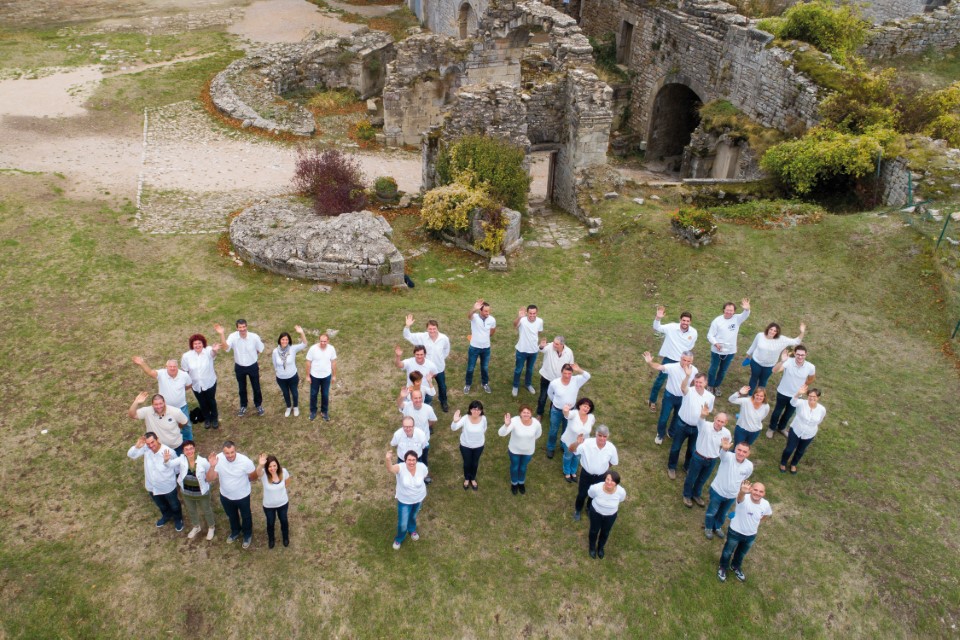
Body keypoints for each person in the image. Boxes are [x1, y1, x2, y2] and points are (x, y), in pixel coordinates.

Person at [717, 481, 772, 583]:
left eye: (761, 491)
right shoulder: (743, 498)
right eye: (755, 490)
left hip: (751, 535)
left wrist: (757, 521)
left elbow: (766, 515)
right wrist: (742, 491)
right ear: (751, 489)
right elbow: (739, 498)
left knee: (741, 554)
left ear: (764, 494)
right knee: (728, 552)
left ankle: (735, 566)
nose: (757, 493)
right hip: (735, 533)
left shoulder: (766, 504)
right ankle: (723, 567)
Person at [206, 440, 257, 549]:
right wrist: (211, 466)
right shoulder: (218, 459)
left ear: (235, 450)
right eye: (227, 453)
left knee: (246, 516)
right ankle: (235, 531)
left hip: (242, 496)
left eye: (232, 452)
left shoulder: (245, 461)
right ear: (223, 452)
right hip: (225, 496)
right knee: (231, 516)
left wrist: (246, 482)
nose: (230, 455)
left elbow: (254, 476)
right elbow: (210, 478)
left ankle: (247, 534)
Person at [127, 432, 183, 531]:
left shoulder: (168, 451)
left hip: (167, 487)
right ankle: (166, 516)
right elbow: (131, 455)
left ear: (158, 439)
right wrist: (137, 446)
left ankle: (178, 519)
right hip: (151, 486)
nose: (151, 445)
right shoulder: (146, 449)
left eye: (152, 442)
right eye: (148, 443)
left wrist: (172, 478)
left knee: (174, 505)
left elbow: (177, 467)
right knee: (161, 505)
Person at [132, 356, 194, 442]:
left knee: (187, 425)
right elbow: (150, 372)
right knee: (167, 426)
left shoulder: (184, 375)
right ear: (166, 367)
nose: (172, 368)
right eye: (170, 366)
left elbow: (189, 385)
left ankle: (188, 441)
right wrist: (142, 363)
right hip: (165, 408)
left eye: (174, 366)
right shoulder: (161, 374)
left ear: (177, 367)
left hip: (181, 407)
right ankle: (171, 440)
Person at [648, 306, 698, 410]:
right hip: (669, 360)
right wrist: (658, 318)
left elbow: (690, 346)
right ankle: (652, 401)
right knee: (660, 381)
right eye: (683, 320)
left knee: (683, 383)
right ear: (680, 320)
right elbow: (657, 327)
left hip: (683, 362)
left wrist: (685, 360)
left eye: (687, 321)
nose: (685, 322)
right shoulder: (671, 327)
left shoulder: (694, 333)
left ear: (690, 322)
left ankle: (681, 404)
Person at [642, 350, 697, 445]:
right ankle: (660, 434)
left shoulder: (694, 370)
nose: (686, 363)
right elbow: (659, 367)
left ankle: (671, 432)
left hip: (683, 398)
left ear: (692, 361)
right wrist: (650, 362)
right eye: (684, 360)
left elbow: (693, 382)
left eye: (689, 361)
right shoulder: (672, 367)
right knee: (664, 417)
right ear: (680, 358)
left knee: (677, 417)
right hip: (669, 396)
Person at [165, 440, 216, 540]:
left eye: (191, 448)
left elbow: (209, 476)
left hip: (202, 493)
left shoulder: (203, 461)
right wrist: (166, 460)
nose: (189, 451)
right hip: (186, 492)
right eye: (186, 449)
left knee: (206, 510)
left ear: (194, 448)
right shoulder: (181, 459)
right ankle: (196, 526)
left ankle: (211, 527)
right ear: (183, 451)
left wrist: (212, 466)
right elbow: (169, 465)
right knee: (191, 510)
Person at [667, 371, 714, 479]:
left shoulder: (710, 397)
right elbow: (683, 387)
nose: (698, 384)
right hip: (682, 425)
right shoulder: (689, 391)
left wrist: (704, 413)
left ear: (706, 383)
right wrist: (688, 376)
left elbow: (708, 410)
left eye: (700, 382)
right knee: (676, 447)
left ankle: (687, 466)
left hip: (697, 428)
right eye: (696, 382)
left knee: (692, 449)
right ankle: (671, 467)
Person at [682, 406, 731, 508]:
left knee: (702, 479)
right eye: (718, 420)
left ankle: (696, 494)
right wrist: (702, 415)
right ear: (714, 419)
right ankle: (687, 495)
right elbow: (700, 421)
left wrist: (725, 448)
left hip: (712, 460)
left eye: (722, 422)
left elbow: (725, 447)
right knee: (691, 477)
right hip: (698, 457)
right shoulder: (705, 425)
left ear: (725, 423)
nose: (719, 423)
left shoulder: (726, 433)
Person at [215, 320, 265, 417]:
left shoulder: (254, 337)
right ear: (237, 328)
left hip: (252, 366)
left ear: (246, 327)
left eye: (243, 327)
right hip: (239, 367)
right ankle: (243, 406)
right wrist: (222, 334)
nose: (242, 329)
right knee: (242, 388)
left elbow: (260, 349)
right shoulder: (233, 337)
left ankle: (258, 405)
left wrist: (253, 356)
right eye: (240, 327)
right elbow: (226, 348)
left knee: (256, 387)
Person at [704, 442, 753, 540]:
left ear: (748, 454)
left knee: (723, 513)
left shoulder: (749, 465)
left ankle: (717, 527)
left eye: (744, 451)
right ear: (735, 449)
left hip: (732, 496)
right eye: (739, 450)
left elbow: (745, 477)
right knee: (712, 511)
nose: (741, 453)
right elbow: (722, 454)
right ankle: (708, 527)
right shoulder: (728, 456)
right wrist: (724, 449)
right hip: (717, 492)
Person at [403, 314, 451, 412]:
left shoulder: (444, 338)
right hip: (425, 369)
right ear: (427, 329)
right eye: (430, 329)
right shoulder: (422, 337)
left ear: (437, 328)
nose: (432, 331)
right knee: (424, 386)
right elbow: (407, 336)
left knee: (442, 386)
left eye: (434, 329)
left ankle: (443, 401)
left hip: (439, 368)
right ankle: (426, 402)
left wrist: (441, 358)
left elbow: (446, 349)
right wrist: (407, 326)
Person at [569, 426, 618, 521]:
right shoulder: (587, 443)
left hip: (601, 476)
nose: (602, 438)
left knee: (595, 494)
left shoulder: (611, 448)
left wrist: (603, 468)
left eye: (604, 436)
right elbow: (571, 449)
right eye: (600, 435)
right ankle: (578, 510)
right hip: (586, 475)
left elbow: (613, 462)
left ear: (608, 436)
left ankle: (588, 508)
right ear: (596, 434)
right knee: (582, 494)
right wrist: (577, 442)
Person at [767, 345, 816, 438]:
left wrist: (805, 385)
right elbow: (774, 370)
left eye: (802, 355)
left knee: (788, 414)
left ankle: (781, 428)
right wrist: (782, 361)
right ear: (794, 354)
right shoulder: (788, 362)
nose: (800, 357)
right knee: (777, 412)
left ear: (806, 355)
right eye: (798, 354)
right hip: (782, 392)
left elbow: (812, 378)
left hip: (797, 396)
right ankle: (771, 428)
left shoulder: (810, 367)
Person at [545, 363, 591, 459]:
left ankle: (563, 445)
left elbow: (587, 376)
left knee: (567, 429)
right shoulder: (555, 383)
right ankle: (550, 447)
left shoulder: (576, 380)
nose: (567, 376)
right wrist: (556, 402)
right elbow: (549, 393)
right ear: (561, 372)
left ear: (572, 373)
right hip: (556, 411)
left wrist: (579, 369)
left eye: (569, 373)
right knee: (553, 430)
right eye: (565, 373)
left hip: (571, 412)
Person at [745, 322, 806, 393]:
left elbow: (796, 342)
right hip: (756, 362)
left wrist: (802, 332)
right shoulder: (760, 335)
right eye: (771, 329)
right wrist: (748, 355)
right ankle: (749, 394)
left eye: (775, 331)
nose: (772, 332)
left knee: (763, 381)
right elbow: (753, 346)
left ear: (777, 333)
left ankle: (760, 396)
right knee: (754, 378)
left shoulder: (782, 340)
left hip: (769, 366)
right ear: (768, 329)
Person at [706, 298, 751, 395]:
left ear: (734, 311)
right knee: (713, 369)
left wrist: (747, 309)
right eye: (727, 310)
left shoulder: (737, 319)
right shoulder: (717, 321)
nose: (729, 312)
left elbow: (745, 315)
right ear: (724, 310)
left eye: (731, 310)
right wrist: (715, 343)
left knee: (723, 371)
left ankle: (717, 386)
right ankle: (710, 385)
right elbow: (710, 335)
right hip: (716, 351)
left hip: (730, 351)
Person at [385, 449, 428, 550]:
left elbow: (424, 476)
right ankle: (399, 538)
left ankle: (412, 529)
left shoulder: (422, 467)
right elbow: (390, 469)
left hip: (418, 498)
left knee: (413, 516)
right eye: (409, 460)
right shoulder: (401, 467)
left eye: (413, 460)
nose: (411, 462)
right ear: (405, 460)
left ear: (417, 460)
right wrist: (388, 459)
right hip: (404, 501)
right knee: (403, 523)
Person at [779, 385, 826, 474]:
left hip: (809, 433)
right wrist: (798, 394)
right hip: (796, 430)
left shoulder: (822, 409)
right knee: (789, 448)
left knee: (801, 450)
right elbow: (793, 403)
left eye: (814, 396)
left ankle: (793, 464)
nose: (812, 398)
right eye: (810, 396)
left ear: (818, 397)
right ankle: (783, 462)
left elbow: (820, 420)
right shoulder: (801, 403)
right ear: (807, 396)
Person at [498, 406, 542, 495]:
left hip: (528, 451)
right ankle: (514, 483)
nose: (526, 414)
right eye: (524, 412)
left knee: (523, 467)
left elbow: (538, 434)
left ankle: (521, 482)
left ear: (531, 414)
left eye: (528, 412)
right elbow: (501, 434)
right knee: (514, 467)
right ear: (520, 414)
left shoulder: (536, 423)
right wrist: (506, 425)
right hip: (514, 450)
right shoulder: (514, 421)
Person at [128, 391, 188, 455]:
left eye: (160, 403)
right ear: (152, 404)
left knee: (176, 464)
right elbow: (132, 415)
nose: (158, 406)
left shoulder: (176, 412)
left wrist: (177, 427)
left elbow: (184, 422)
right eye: (156, 404)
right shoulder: (147, 411)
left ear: (164, 402)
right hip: (157, 448)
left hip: (175, 447)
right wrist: (136, 402)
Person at [181, 333, 220, 429]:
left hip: (209, 382)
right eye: (195, 344)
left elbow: (213, 353)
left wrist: (215, 350)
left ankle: (214, 418)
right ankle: (207, 418)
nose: (197, 346)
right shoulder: (186, 356)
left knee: (211, 401)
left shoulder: (208, 351)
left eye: (199, 343)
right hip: (196, 385)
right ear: (192, 345)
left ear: (203, 344)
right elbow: (185, 371)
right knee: (202, 402)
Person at [398, 387, 437, 483]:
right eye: (415, 398)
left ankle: (424, 475)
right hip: (409, 440)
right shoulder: (407, 406)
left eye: (420, 397)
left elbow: (432, 420)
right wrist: (401, 396)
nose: (418, 400)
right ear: (411, 399)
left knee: (423, 459)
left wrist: (427, 427)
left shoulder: (428, 408)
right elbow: (399, 404)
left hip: (423, 441)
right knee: (411, 458)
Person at [586, 471, 626, 559]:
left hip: (610, 516)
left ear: (616, 483)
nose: (609, 482)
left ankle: (600, 548)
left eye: (612, 480)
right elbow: (590, 495)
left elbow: (621, 499)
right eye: (607, 479)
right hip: (596, 513)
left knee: (605, 532)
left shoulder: (621, 492)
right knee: (593, 531)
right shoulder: (596, 488)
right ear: (605, 479)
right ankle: (592, 547)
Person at [272, 325, 308, 417]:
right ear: (280, 340)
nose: (285, 341)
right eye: (283, 339)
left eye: (286, 340)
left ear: (289, 341)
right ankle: (288, 407)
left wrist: (301, 332)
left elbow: (304, 344)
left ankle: (295, 407)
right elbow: (275, 364)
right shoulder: (275, 351)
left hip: (292, 376)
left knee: (294, 392)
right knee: (285, 393)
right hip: (281, 378)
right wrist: (279, 373)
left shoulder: (293, 348)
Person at [535, 336, 574, 421]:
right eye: (554, 342)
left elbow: (570, 366)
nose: (554, 345)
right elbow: (541, 349)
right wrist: (541, 346)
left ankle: (552, 414)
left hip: (559, 381)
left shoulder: (569, 352)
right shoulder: (549, 346)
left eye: (556, 344)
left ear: (562, 344)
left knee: (555, 399)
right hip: (546, 377)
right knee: (543, 397)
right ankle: (539, 413)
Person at [451, 401, 488, 490]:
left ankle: (473, 478)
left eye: (479, 409)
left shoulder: (483, 418)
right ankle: (467, 478)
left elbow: (484, 428)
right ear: (470, 410)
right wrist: (455, 421)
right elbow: (454, 428)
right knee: (467, 463)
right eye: (474, 409)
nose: (476, 411)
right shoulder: (465, 418)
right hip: (465, 446)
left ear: (481, 411)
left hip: (479, 446)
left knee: (475, 463)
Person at [257, 453, 292, 548]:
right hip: (269, 506)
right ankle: (271, 539)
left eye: (274, 465)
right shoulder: (264, 474)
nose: (272, 468)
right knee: (270, 522)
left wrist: (280, 492)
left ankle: (285, 537)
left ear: (277, 465)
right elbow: (258, 472)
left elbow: (287, 482)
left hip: (283, 504)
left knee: (284, 521)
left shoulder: (283, 472)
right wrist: (260, 465)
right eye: (270, 466)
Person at [464, 299, 496, 394]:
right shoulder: (474, 317)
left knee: (485, 367)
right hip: (474, 348)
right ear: (480, 311)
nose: (488, 313)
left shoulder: (492, 319)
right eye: (485, 311)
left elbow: (492, 330)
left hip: (486, 348)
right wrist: (474, 308)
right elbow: (469, 315)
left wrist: (485, 337)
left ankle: (485, 383)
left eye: (489, 311)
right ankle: (468, 384)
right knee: (470, 367)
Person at [559, 398, 596, 482]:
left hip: (582, 443)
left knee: (577, 457)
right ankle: (566, 471)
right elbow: (567, 415)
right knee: (568, 456)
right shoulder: (574, 414)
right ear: (580, 406)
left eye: (588, 407)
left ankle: (573, 471)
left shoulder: (591, 417)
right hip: (569, 441)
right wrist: (565, 410)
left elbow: (590, 427)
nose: (586, 408)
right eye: (585, 406)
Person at [512, 305, 543, 397]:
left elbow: (539, 332)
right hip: (521, 350)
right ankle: (515, 386)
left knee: (530, 369)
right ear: (527, 313)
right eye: (530, 313)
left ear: (536, 313)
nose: (532, 315)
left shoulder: (540, 321)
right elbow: (514, 325)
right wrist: (519, 317)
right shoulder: (522, 320)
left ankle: (528, 384)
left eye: (534, 313)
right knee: (518, 370)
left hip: (533, 351)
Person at [306, 333, 337, 421]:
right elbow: (308, 362)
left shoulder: (331, 349)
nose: (323, 343)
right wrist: (308, 376)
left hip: (326, 376)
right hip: (314, 376)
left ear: (328, 341)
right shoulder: (313, 349)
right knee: (313, 394)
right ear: (319, 340)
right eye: (321, 341)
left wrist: (334, 375)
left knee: (325, 394)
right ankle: (313, 411)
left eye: (325, 341)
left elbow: (333, 362)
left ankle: (324, 412)